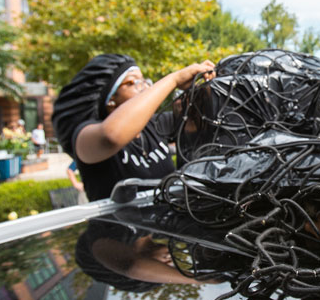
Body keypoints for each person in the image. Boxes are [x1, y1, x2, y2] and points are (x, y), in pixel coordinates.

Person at [52, 54, 215, 201]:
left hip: (163, 230)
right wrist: (173, 79)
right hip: (116, 231)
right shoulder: (85, 136)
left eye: (145, 81)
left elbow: (199, 121)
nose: (145, 88)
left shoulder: (152, 125)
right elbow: (112, 136)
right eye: (133, 82)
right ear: (110, 99)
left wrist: (206, 86)